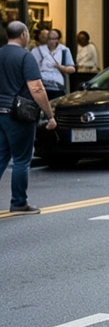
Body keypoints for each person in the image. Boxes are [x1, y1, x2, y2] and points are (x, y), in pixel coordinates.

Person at [1, 22, 58, 215]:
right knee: (21, 159)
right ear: (24, 34)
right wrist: (49, 115)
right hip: (18, 114)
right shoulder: (25, 56)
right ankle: (19, 202)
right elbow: (36, 88)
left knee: (1, 157)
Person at [31, 28, 75, 101]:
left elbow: (72, 69)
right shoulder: (37, 50)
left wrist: (61, 67)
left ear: (58, 40)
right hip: (41, 85)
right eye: (50, 38)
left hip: (58, 86)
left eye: (54, 39)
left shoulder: (64, 50)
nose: (52, 41)